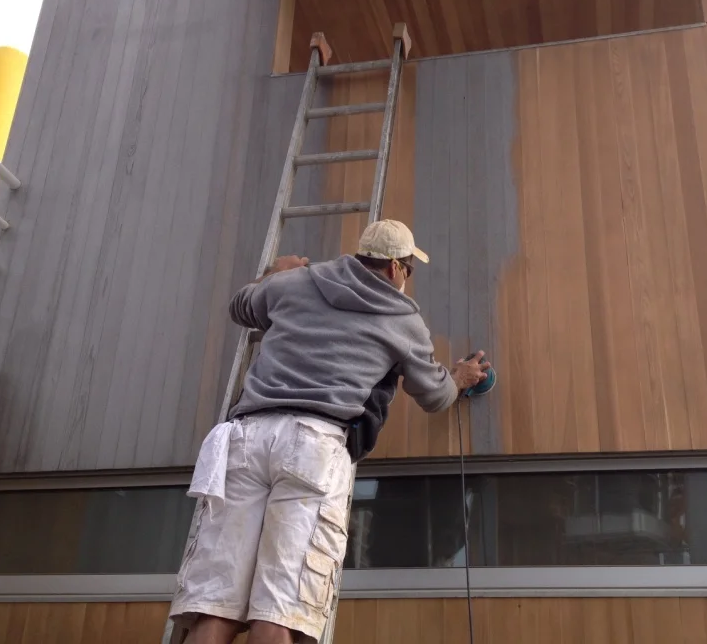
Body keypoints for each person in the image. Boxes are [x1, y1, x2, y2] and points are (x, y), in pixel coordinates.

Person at [170, 219, 491, 644]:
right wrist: (461, 377)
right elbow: (434, 395)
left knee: (215, 609)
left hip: (246, 437)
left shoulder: (296, 282)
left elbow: (240, 307)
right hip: (313, 447)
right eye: (410, 270)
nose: (407, 279)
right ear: (396, 268)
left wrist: (275, 274)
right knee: (278, 612)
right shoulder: (402, 318)